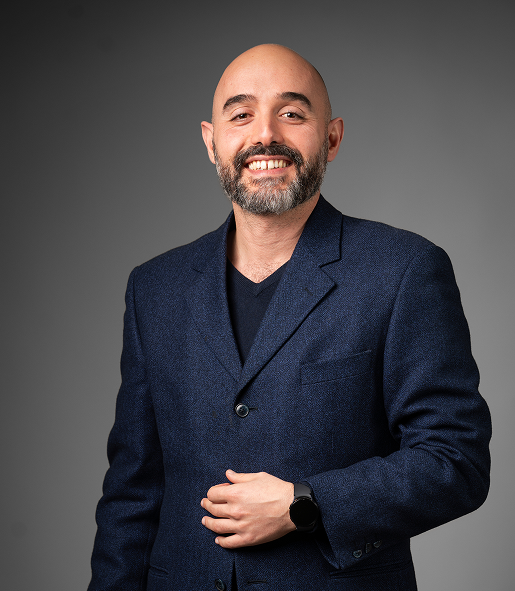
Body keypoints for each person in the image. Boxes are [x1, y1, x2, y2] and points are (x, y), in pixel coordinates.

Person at [88, 44, 491, 591]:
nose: (266, 135)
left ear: (332, 138)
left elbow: (455, 460)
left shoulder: (404, 269)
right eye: (241, 114)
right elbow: (132, 492)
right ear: (211, 141)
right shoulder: (155, 288)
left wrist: (305, 504)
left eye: (292, 113)